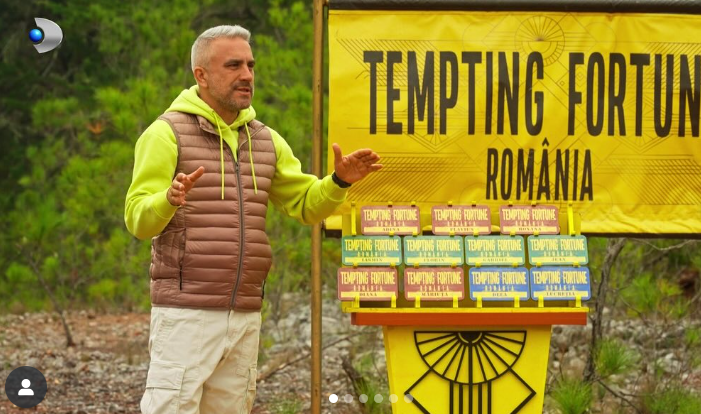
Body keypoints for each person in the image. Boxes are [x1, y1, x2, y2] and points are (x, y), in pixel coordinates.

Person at [124, 25, 381, 414]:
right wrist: (167, 200)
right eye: (233, 65)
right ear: (201, 75)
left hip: (246, 314)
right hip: (186, 313)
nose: (246, 75)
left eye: (250, 65)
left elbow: (306, 205)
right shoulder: (165, 134)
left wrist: (339, 180)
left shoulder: (266, 140)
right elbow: (137, 220)